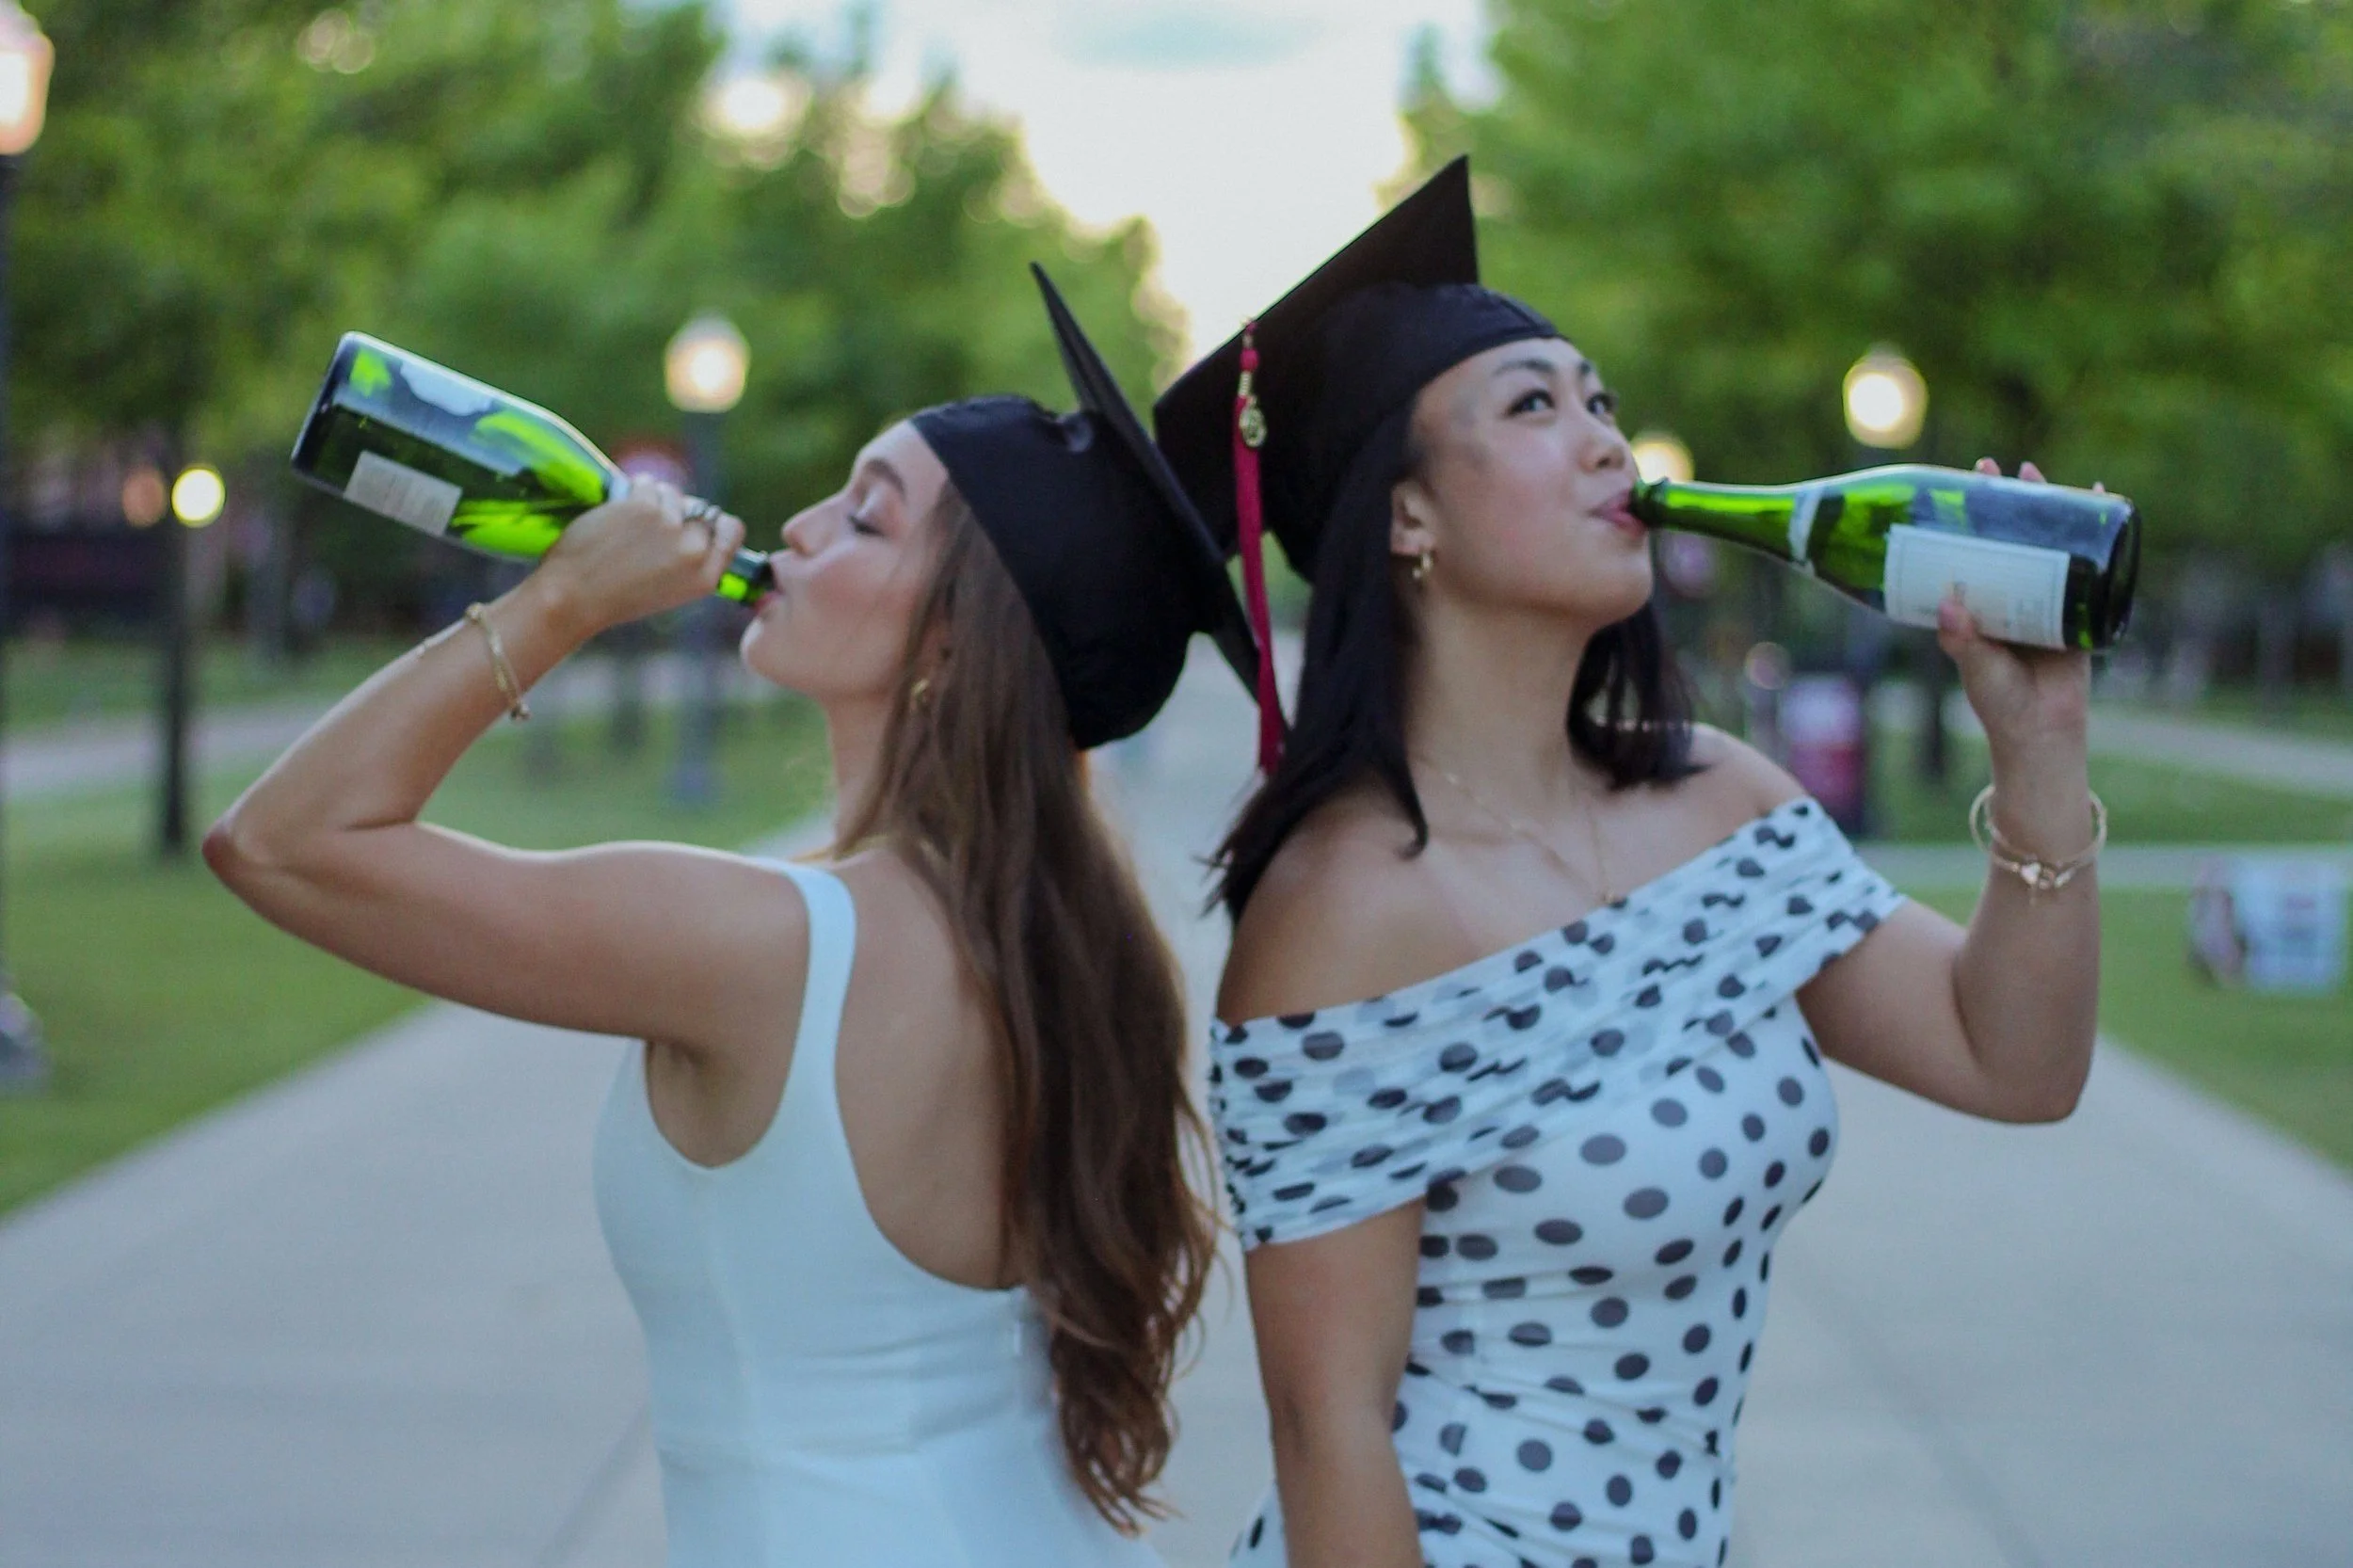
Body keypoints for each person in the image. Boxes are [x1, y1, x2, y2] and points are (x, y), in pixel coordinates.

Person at [205, 267, 1260, 1567]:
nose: (800, 526)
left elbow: (282, 842)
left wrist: (561, 601)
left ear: (950, 648)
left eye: (865, 521)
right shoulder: (1069, 938)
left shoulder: (768, 942)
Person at [1150, 159, 2104, 1568]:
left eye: (1598, 398)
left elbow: (2012, 1058)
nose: (1606, 439)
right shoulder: (1347, 911)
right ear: (1405, 515)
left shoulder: (1716, 803)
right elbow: (1327, 1433)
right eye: (1534, 405)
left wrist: (2040, 750)